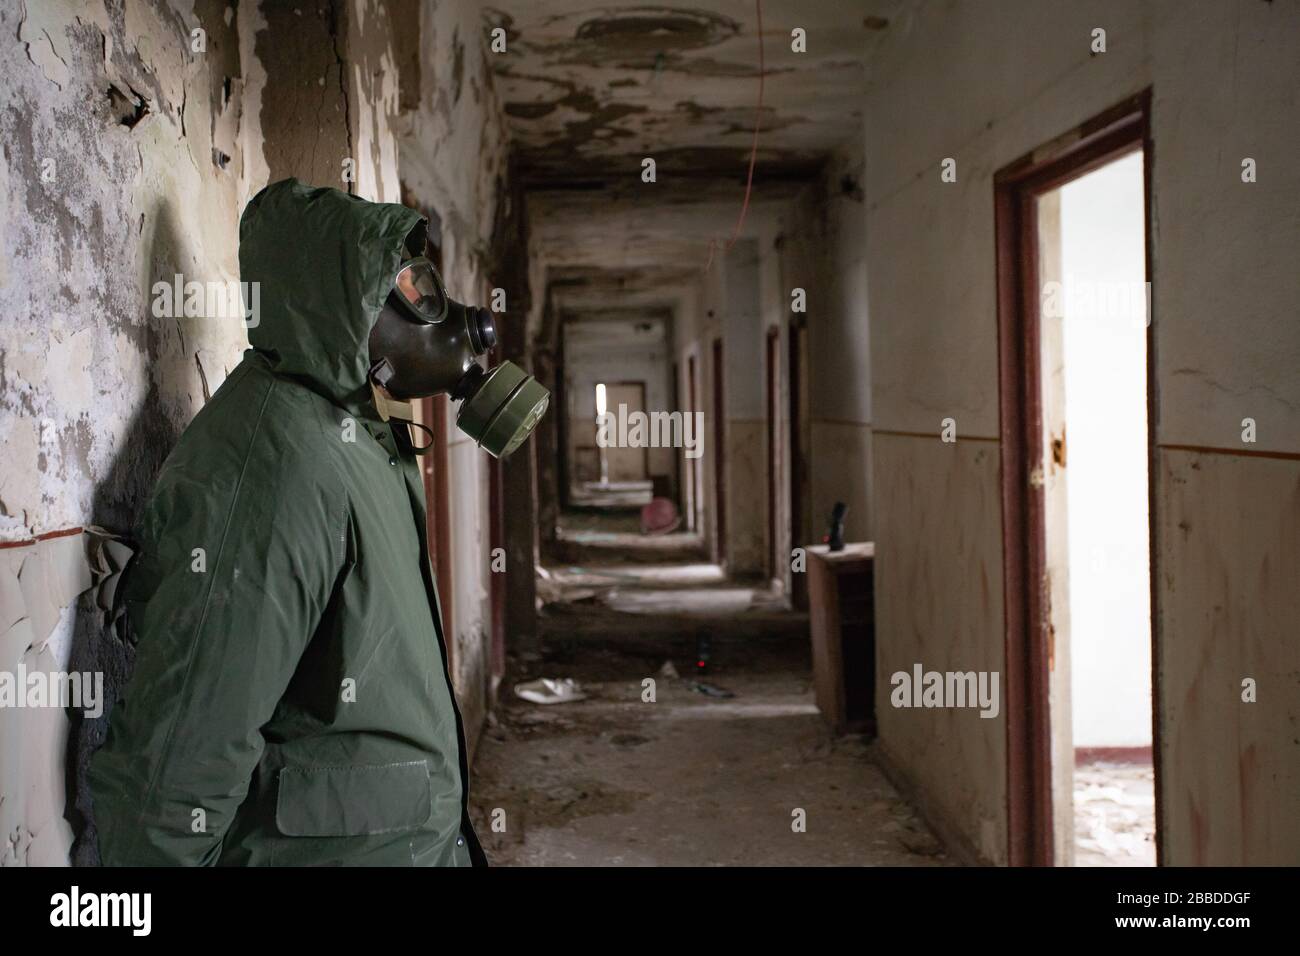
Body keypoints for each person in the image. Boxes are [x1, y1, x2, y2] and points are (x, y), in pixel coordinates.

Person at [89, 179, 545, 866]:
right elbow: (173, 772)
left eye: (425, 285)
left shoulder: (351, 430)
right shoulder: (269, 467)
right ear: (333, 301)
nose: (442, 314)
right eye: (406, 288)